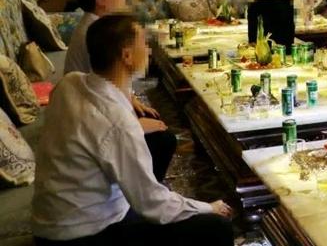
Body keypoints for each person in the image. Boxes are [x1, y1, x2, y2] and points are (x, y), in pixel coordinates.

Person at [32, 14, 233, 245]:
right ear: (127, 56)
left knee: (162, 139)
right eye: (144, 43)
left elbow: (94, 129)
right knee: (217, 227)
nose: (148, 50)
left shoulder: (70, 82)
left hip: (54, 220)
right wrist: (209, 207)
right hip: (81, 235)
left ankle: (137, 190)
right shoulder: (117, 123)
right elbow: (153, 204)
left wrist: (134, 127)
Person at [65, 0, 176, 183]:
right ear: (101, 0)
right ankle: (139, 186)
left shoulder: (97, 25)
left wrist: (131, 100)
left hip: (96, 109)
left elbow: (109, 81)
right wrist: (134, 126)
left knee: (153, 119)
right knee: (163, 139)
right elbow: (101, 97)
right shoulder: (96, 34)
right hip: (90, 120)